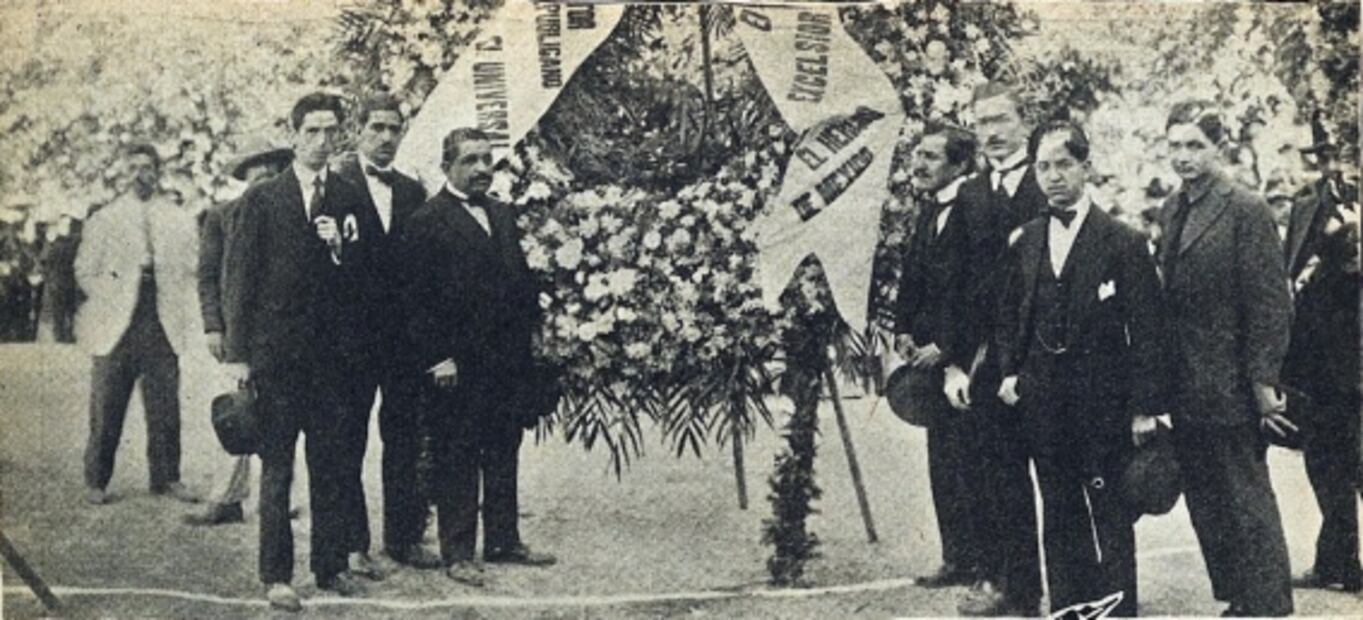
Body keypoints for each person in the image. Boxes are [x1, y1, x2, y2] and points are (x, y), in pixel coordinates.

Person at [995, 120, 1167, 617]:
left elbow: (1149, 330)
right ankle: (1069, 605)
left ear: (1086, 167)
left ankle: (1117, 608)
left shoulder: (1123, 241)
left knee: (1109, 507)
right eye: (1043, 167)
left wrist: (1145, 408)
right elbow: (1010, 315)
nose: (1053, 176)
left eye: (1064, 165)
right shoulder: (1026, 239)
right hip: (1042, 400)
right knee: (1058, 505)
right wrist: (1010, 373)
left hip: (1104, 402)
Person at [222, 92, 371, 611]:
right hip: (278, 360)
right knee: (277, 469)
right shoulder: (263, 199)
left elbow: (366, 279)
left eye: (331, 131)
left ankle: (330, 565)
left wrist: (339, 250)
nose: (322, 141)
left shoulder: (349, 196)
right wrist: (239, 357)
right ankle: (276, 575)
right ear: (294, 135)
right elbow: (239, 281)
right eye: (312, 131)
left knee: (330, 465)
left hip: (332, 361)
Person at [402, 127, 556, 587]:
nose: (482, 169)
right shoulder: (426, 221)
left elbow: (519, 281)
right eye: (470, 160)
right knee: (459, 454)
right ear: (446, 166)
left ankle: (503, 539)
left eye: (487, 159)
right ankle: (458, 551)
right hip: (457, 364)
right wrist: (437, 358)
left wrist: (535, 336)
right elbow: (416, 300)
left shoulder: (502, 214)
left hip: (506, 360)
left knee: (504, 448)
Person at [1158, 100, 1294, 617]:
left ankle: (1268, 602)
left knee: (1244, 493)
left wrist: (1263, 381)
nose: (1184, 156)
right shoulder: (1173, 207)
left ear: (1218, 148)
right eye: (1175, 145)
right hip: (1184, 378)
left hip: (1231, 379)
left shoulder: (1245, 208)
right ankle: (1238, 597)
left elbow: (1270, 302)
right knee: (1206, 498)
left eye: (1195, 145)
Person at [332, 93, 441, 573]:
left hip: (402, 342)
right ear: (358, 131)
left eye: (394, 129)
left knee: (404, 437)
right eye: (376, 127)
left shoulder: (413, 192)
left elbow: (422, 272)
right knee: (347, 439)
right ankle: (352, 544)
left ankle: (404, 538)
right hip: (351, 341)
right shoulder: (334, 186)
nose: (385, 137)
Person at [954, 82, 1046, 617]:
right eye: (981, 122)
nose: (990, 132)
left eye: (1000, 120)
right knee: (996, 474)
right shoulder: (970, 194)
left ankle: (1081, 586)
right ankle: (1011, 586)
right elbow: (960, 285)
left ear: (1024, 123)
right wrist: (956, 363)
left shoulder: (1049, 180)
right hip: (990, 358)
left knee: (1060, 476)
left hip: (1045, 355)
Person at [75, 143, 202, 507]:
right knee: (107, 403)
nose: (139, 175)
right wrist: (111, 296)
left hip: (160, 319)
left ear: (157, 173)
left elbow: (191, 269)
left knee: (165, 404)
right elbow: (84, 270)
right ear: (123, 172)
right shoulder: (105, 219)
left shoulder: (178, 218)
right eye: (132, 168)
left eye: (146, 167)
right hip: (117, 323)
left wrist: (181, 305)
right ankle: (97, 479)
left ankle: (167, 477)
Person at [893, 123, 991, 589]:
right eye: (917, 154)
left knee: (973, 463)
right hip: (930, 358)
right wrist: (904, 330)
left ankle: (985, 565)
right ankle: (957, 557)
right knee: (943, 461)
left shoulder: (975, 209)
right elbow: (913, 278)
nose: (918, 163)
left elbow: (979, 290)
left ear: (960, 164)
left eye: (930, 156)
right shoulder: (929, 210)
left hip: (967, 362)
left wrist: (949, 347)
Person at [183, 138, 293, 527]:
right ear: (244, 177)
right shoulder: (222, 216)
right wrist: (214, 326)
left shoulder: (294, 214)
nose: (265, 178)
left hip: (281, 334)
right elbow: (208, 276)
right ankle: (227, 497)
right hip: (237, 333)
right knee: (237, 411)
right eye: (257, 172)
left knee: (284, 414)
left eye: (273, 170)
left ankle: (278, 498)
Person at [1282, 118, 1361, 593]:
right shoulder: (1305, 203)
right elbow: (1291, 272)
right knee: (1325, 464)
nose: (1330, 165)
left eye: (1338, 154)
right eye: (1322, 156)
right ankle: (1338, 563)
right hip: (1317, 360)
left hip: (1355, 356)